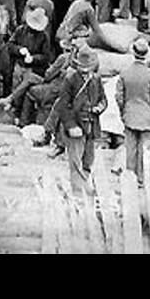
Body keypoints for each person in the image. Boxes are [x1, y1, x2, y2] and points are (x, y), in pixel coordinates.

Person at [53, 45, 107, 195]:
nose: (85, 71)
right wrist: (70, 126)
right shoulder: (70, 80)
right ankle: (78, 191)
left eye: (87, 67)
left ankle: (84, 184)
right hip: (76, 123)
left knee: (88, 158)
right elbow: (62, 105)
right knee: (75, 160)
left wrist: (99, 107)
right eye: (82, 67)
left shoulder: (96, 79)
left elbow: (104, 99)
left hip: (92, 123)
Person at [115, 39, 150, 184]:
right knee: (145, 150)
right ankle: (142, 179)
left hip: (130, 116)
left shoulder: (125, 74)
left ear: (133, 53)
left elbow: (119, 97)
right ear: (146, 54)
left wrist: (123, 112)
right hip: (147, 118)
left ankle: (130, 178)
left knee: (130, 149)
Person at [5, 7, 53, 115]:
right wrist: (19, 50)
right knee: (16, 85)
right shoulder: (20, 30)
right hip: (19, 64)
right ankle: (14, 108)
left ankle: (20, 111)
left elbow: (46, 57)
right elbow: (10, 45)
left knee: (24, 90)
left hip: (32, 68)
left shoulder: (44, 37)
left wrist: (33, 58)